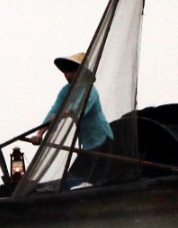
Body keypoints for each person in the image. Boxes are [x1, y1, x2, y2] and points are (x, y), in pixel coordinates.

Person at [26, 52, 115, 186]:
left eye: (71, 71)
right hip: (87, 144)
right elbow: (53, 112)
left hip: (103, 140)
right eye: (65, 72)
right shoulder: (65, 91)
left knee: (98, 180)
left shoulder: (90, 90)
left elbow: (76, 110)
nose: (67, 75)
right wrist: (39, 134)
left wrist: (60, 115)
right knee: (82, 180)